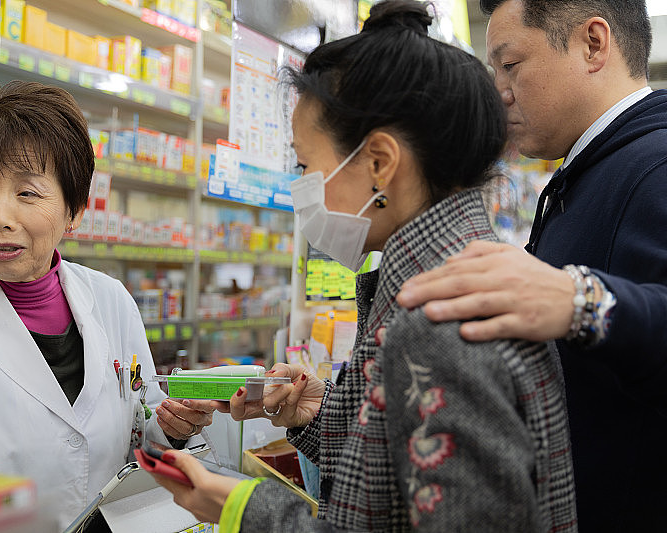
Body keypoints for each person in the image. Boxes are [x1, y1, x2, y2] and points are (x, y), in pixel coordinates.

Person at [149, 2, 577, 531]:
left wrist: (241, 507)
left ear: (378, 162)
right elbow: (397, 477)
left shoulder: (440, 318)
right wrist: (318, 414)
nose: (300, 186)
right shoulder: (448, 278)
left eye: (305, 166)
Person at [0, 81, 213, 528]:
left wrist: (172, 429)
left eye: (27, 193)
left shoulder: (112, 302)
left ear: (75, 210)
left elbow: (138, 439)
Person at [395, 1, 667, 530]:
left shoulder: (654, 165)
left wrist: (579, 301)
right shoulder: (586, 172)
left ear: (593, 43)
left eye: (510, 64)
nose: (499, 90)